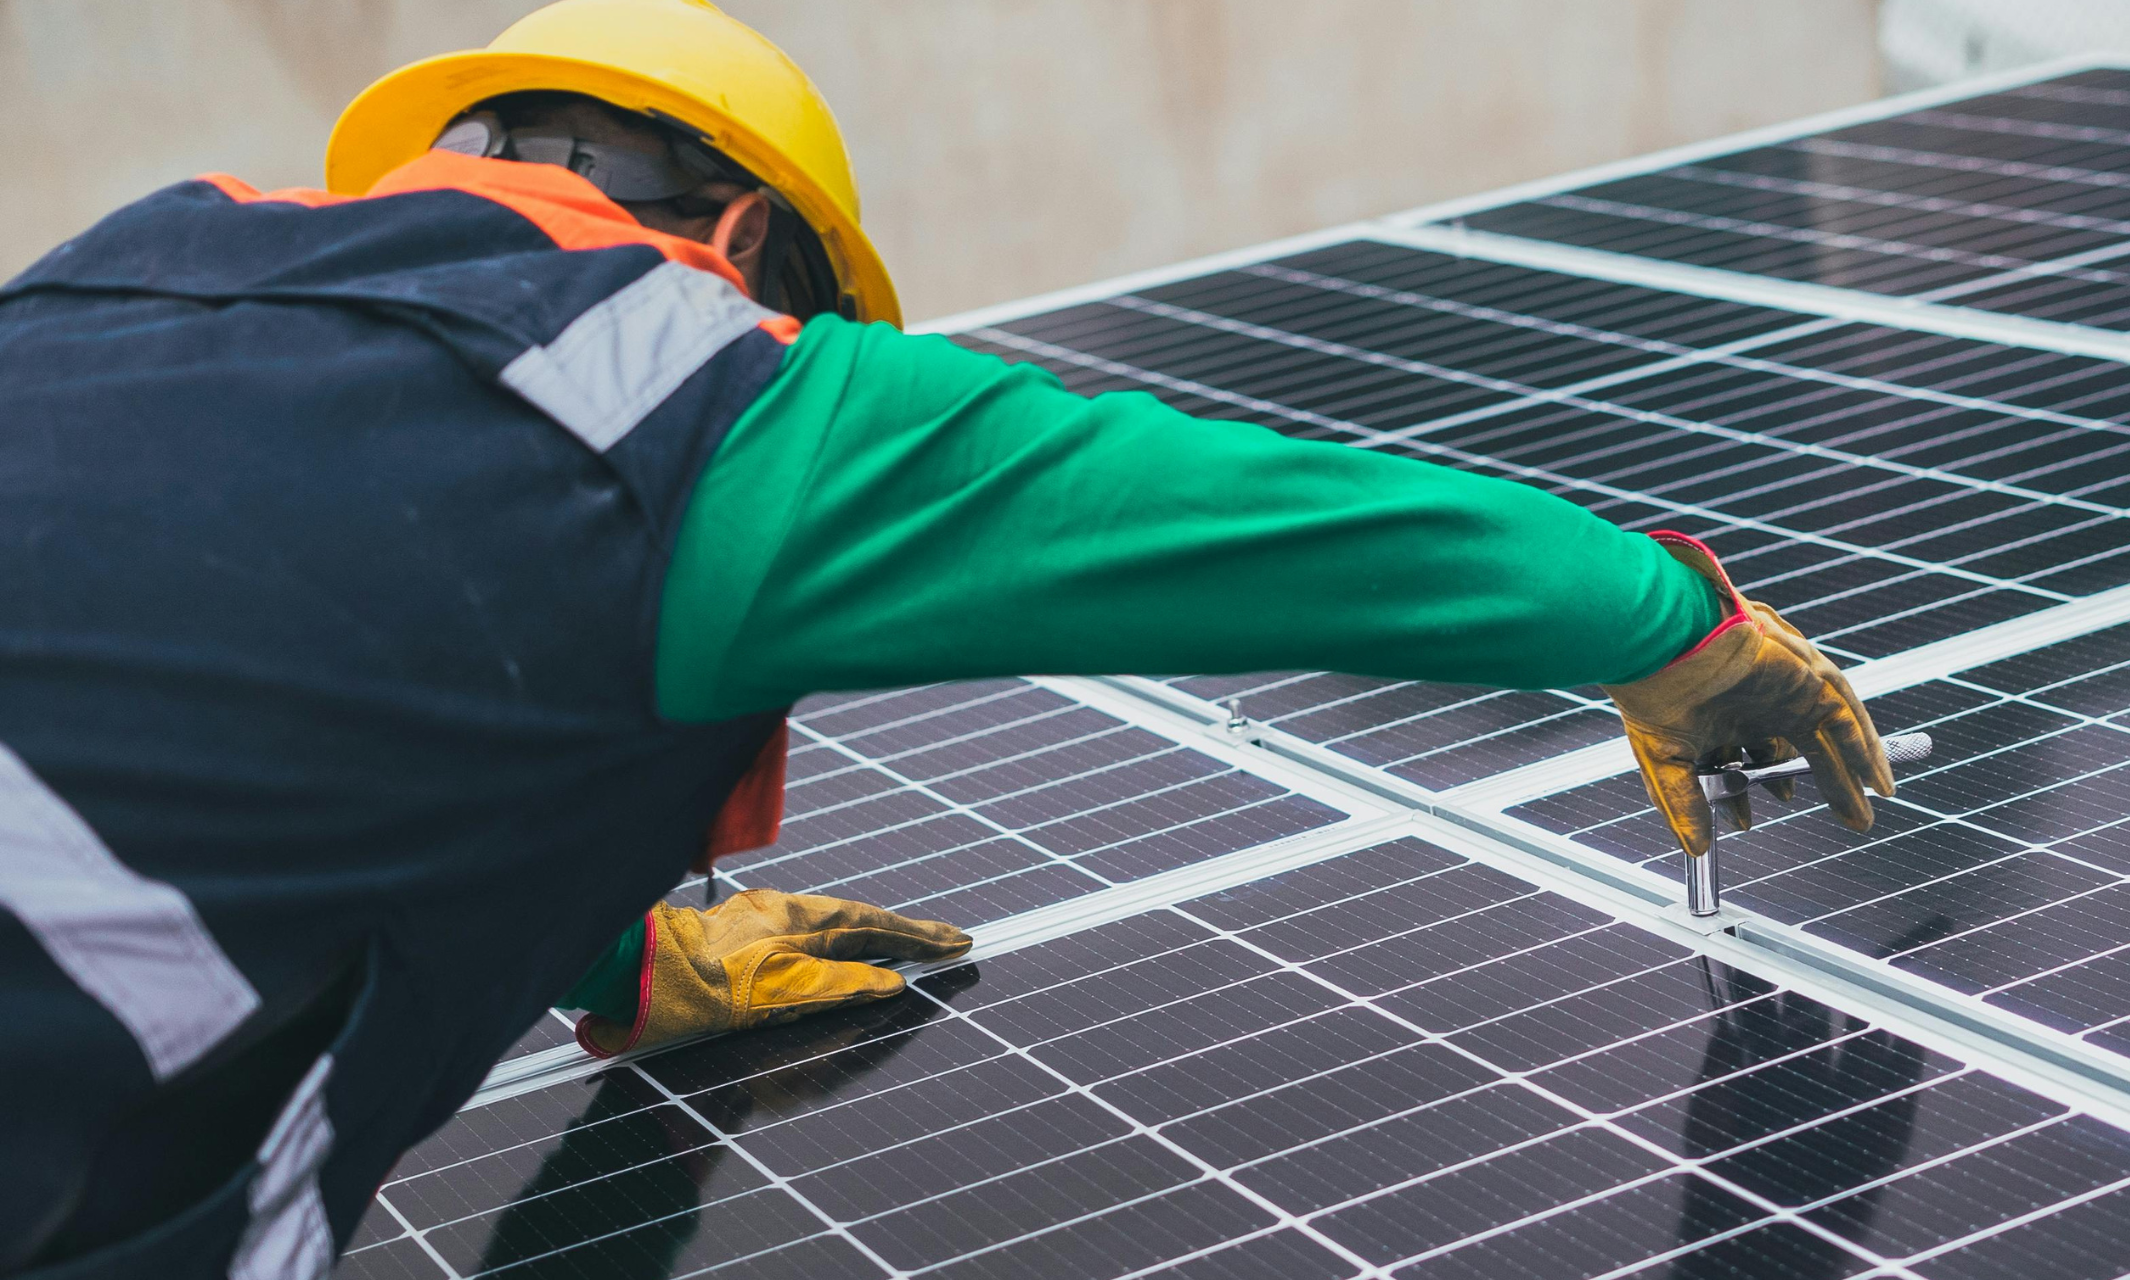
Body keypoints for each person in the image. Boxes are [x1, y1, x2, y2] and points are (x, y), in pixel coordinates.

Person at [0, 1, 1892, 1275]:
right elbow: (1245, 515)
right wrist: (1675, 627)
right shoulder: (699, 391)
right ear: (749, 241)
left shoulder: (125, 267)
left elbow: (284, 669)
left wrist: (619, 961)